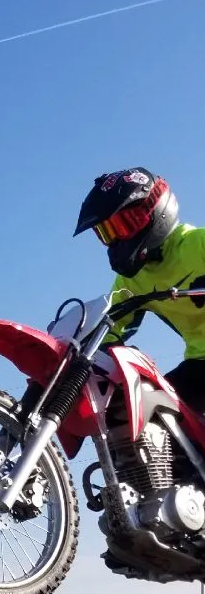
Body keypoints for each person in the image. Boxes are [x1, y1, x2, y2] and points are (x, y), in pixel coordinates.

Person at [73, 167, 205, 412]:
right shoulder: (132, 281)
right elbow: (109, 325)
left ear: (154, 212)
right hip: (199, 365)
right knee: (148, 410)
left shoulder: (199, 243)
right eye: (108, 233)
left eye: (122, 227)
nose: (116, 241)